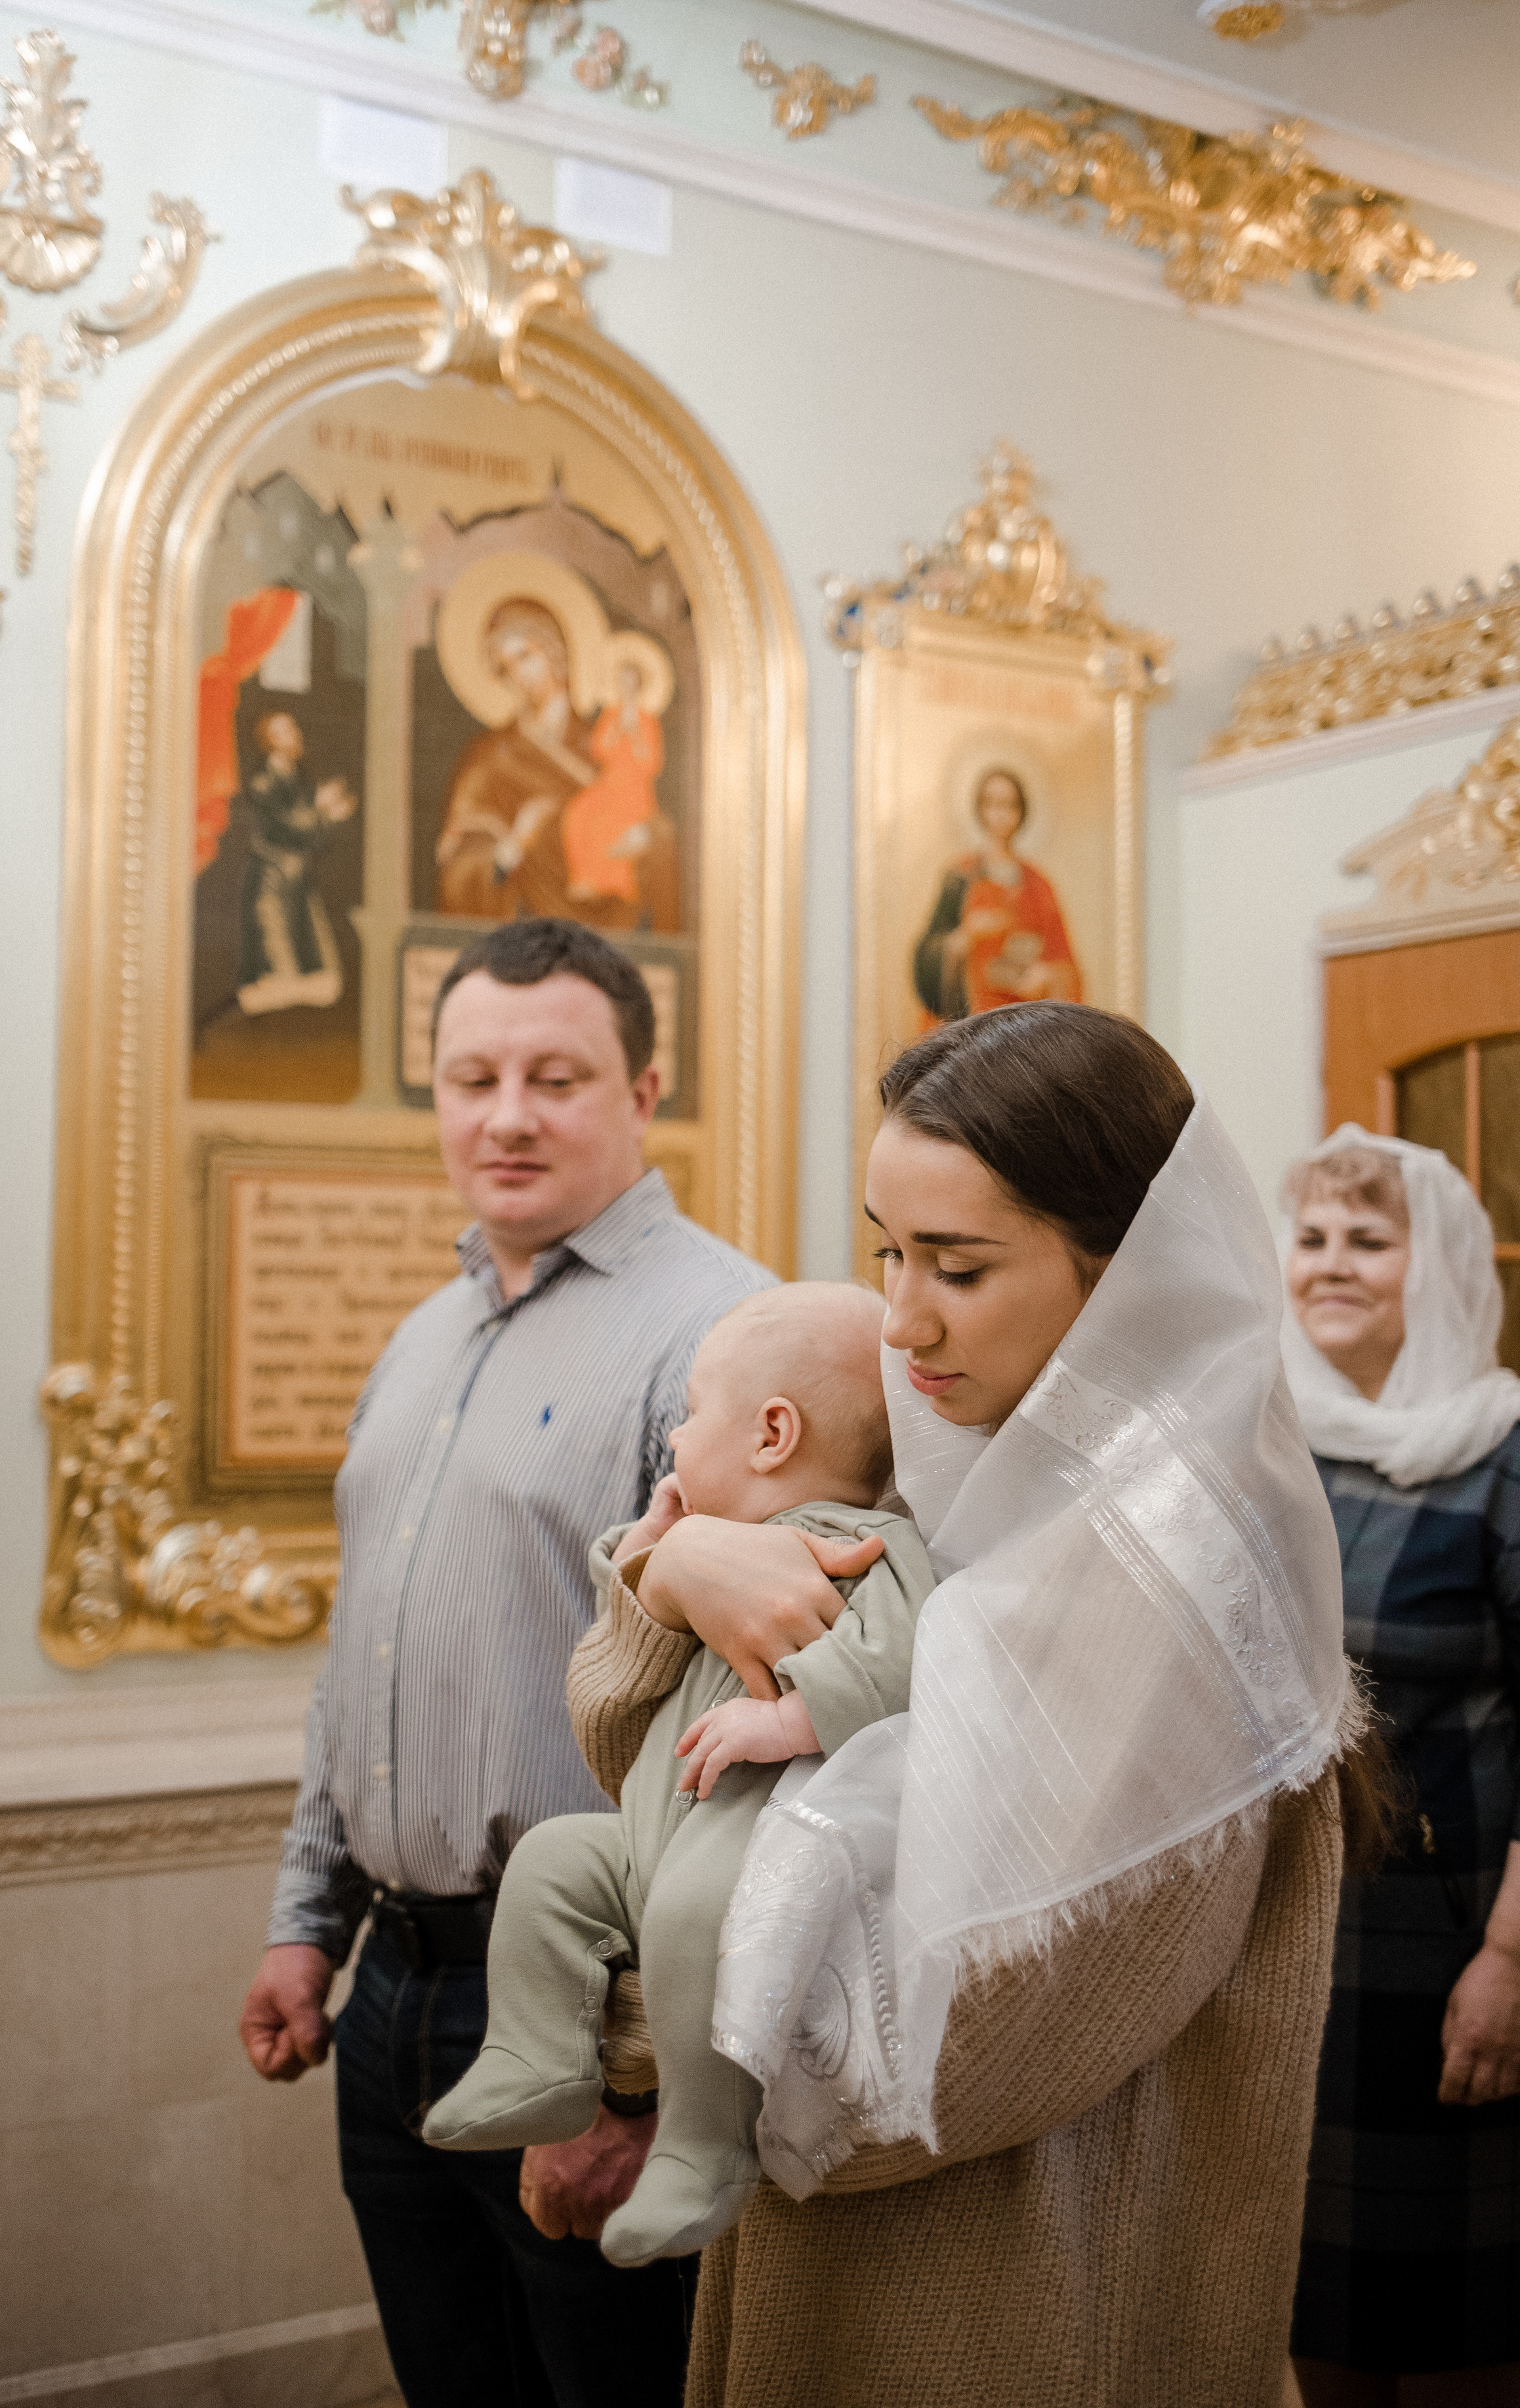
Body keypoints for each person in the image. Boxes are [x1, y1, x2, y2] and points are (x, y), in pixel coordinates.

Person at [564, 1001, 1353, 2407]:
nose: (900, 1316)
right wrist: (676, 1564)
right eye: (886, 1249)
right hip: (861, 2270)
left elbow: (950, 2057)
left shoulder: (1170, 1567)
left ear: (1123, 1272)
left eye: (957, 1265)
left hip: (1018, 2302)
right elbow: (672, 1782)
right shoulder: (955, 1484)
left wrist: (622, 2035)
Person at [237, 917, 811, 2408]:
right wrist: (308, 1921)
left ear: (645, 1083)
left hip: (578, 2008)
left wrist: (636, 2075)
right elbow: (362, 1655)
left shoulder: (725, 1340)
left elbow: (755, 1737)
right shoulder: (425, 1335)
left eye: (554, 1075)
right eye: (469, 1075)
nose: (505, 1114)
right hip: (391, 1989)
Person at [424, 1281, 934, 2268]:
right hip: (652, 1829)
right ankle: (537, 2058)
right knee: (555, 1860)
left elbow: (910, 1665)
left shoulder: (866, 1548)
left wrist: (790, 1717)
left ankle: (704, 2145)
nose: (675, 1440)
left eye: (693, 1415)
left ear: (773, 1433)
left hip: (750, 1845)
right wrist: (661, 1543)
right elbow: (620, 1680)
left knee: (700, 1914)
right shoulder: (708, 1551)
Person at [1281, 1127, 1520, 2405]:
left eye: (1366, 1242)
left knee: (1454, 2328)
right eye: (1309, 1237)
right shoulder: (1273, 1448)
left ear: (1437, 1272)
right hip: (1292, 1933)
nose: (1327, 1266)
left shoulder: (1500, 1456)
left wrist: (1507, 1963)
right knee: (1304, 2308)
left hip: (1450, 1941)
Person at [436, 600, 680, 932]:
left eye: (525, 656)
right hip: (527, 934)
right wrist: (515, 843)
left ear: (556, 652)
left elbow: (649, 814)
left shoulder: (606, 741)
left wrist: (645, 838)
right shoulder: (493, 757)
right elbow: (460, 867)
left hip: (614, 926)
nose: (519, 675)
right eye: (506, 668)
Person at [911, 766, 1080, 1025]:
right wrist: (967, 935)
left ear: (1021, 812)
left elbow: (1064, 962)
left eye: (1009, 805)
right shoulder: (961, 878)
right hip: (972, 1020)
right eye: (992, 804)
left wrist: (1046, 976)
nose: (1000, 814)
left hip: (1025, 1021)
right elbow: (929, 953)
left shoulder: (1039, 885)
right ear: (980, 810)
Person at [236, 709, 358, 1015]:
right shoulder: (264, 780)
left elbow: (311, 833)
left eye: (294, 728)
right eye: (287, 731)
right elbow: (284, 828)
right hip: (272, 877)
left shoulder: (296, 776)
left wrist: (323, 811)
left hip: (297, 877)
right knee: (276, 951)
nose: (296, 735)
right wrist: (324, 812)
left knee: (314, 959)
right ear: (272, 741)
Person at [563, 658, 666, 909]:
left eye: (631, 684)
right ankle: (584, 879)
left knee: (609, 825)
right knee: (578, 813)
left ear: (638, 687)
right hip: (608, 784)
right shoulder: (611, 715)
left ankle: (612, 883)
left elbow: (651, 764)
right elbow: (599, 750)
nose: (626, 689)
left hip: (635, 790)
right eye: (623, 684)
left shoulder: (648, 720)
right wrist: (618, 728)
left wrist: (636, 734)